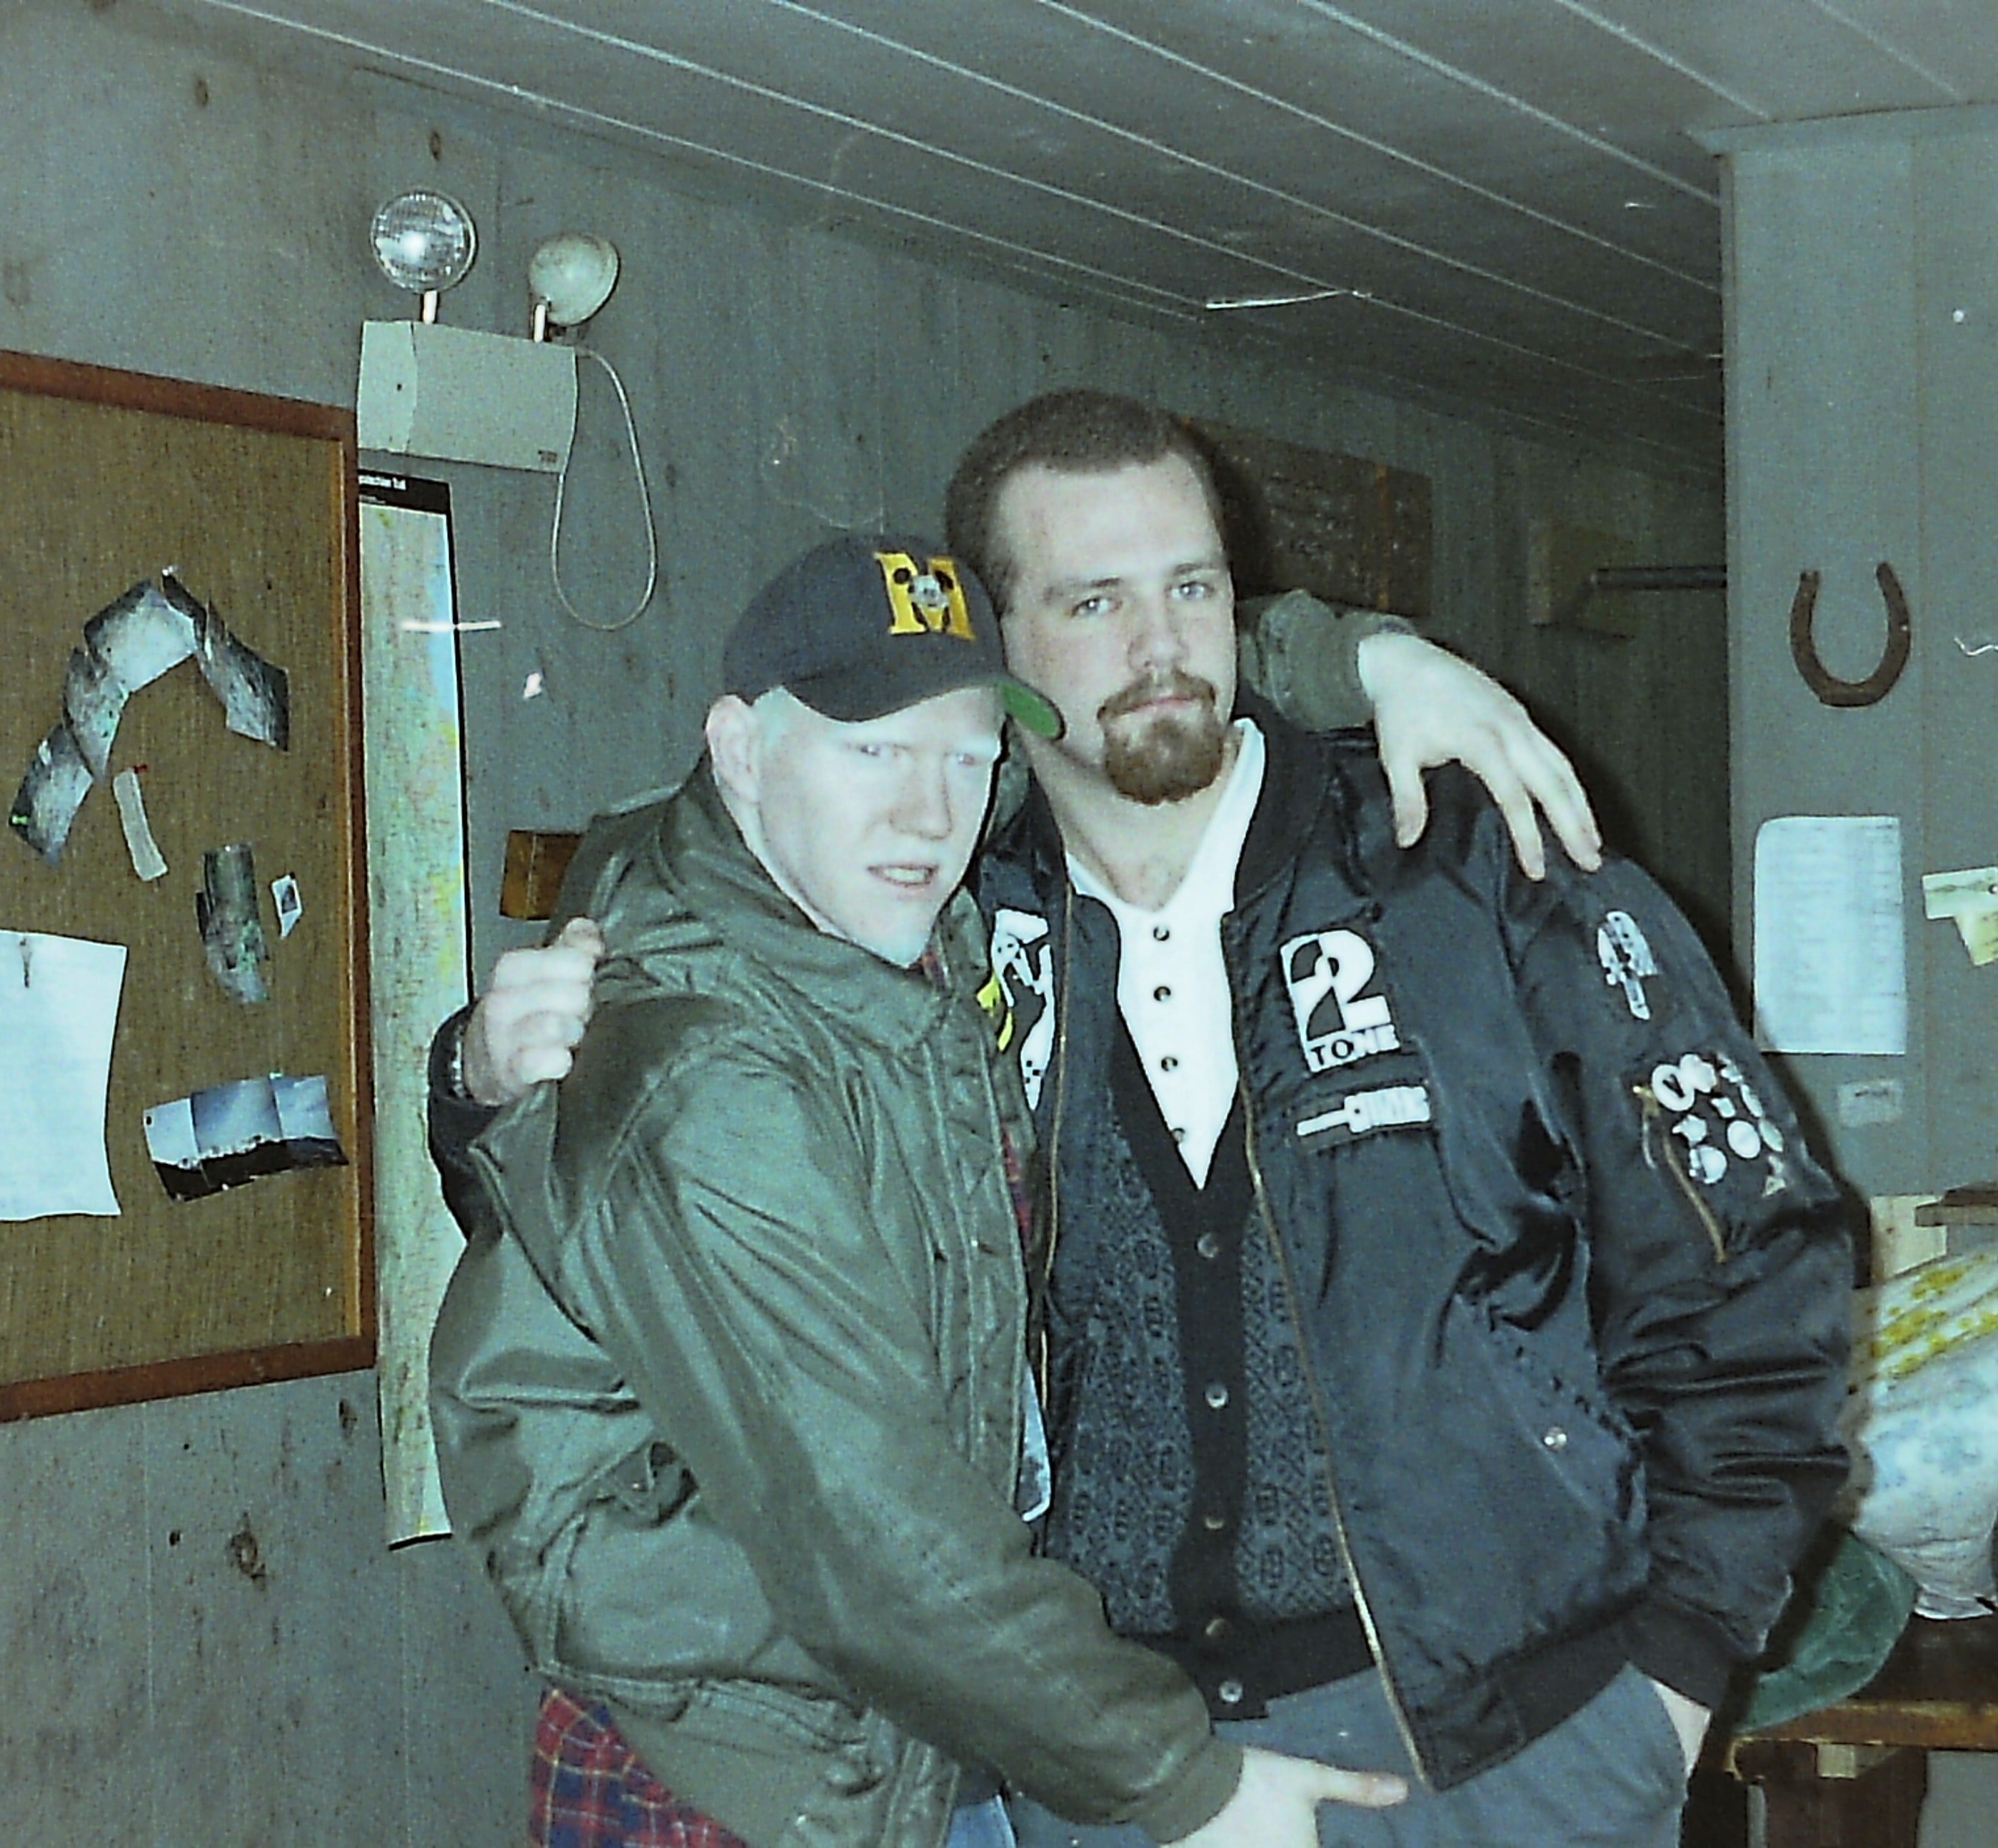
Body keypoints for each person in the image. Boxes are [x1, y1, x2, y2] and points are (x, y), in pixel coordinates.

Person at [461, 391, 1852, 1847]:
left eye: (1192, 588)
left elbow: (1760, 1260)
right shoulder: (935, 919)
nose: (1160, 648)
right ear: (997, 648)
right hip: (1107, 1771)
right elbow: (678, 972)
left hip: (1508, 1749)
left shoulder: (1472, 865)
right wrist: (479, 1075)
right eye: (1093, 602)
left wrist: (1680, 1670)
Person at [424, 533, 1410, 1848]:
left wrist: (1367, 662)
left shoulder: (848, 892)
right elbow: (874, 1538)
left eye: (967, 755)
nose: (931, 814)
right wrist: (1189, 1787)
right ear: (739, 751)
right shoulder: (709, 1080)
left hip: (912, 1705)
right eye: (874, 751)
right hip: (746, 1755)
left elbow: (1123, 670)